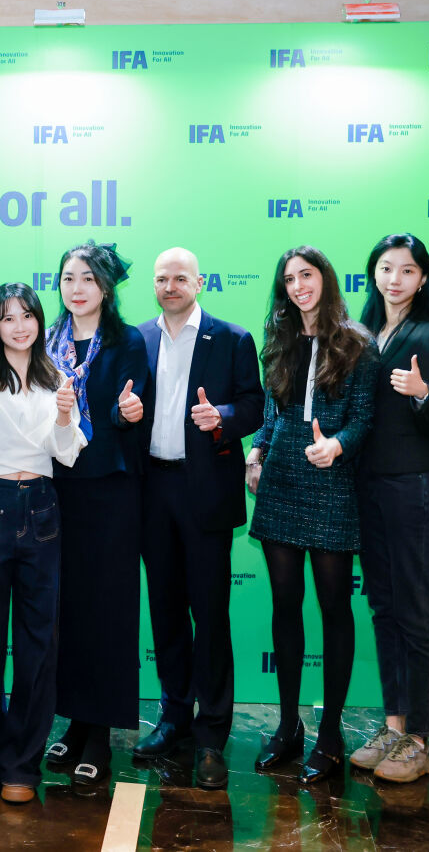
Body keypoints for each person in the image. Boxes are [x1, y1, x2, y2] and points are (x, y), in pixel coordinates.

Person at [244, 245, 378, 783]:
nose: (299, 285)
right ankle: (288, 726)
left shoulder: (357, 342)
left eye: (307, 275)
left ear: (325, 278)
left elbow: (364, 418)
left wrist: (337, 445)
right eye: (290, 279)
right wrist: (256, 452)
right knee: (285, 606)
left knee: (334, 608)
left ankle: (331, 733)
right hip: (281, 479)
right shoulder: (278, 340)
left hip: (331, 481)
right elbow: (271, 412)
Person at [132, 247, 264, 791]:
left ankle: (212, 733)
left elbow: (255, 405)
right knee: (165, 612)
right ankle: (174, 718)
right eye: (161, 278)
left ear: (200, 282)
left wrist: (222, 417)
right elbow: (122, 407)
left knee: (209, 614)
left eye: (180, 278)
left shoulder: (232, 338)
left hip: (205, 489)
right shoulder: (137, 339)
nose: (170, 286)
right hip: (152, 489)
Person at [0, 283, 84, 804]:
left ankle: (23, 763)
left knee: (38, 644)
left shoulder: (57, 379)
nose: (20, 326)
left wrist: (65, 414)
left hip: (43, 509)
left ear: (39, 321)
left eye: (27, 316)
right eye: (8, 318)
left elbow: (65, 453)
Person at [41, 242, 148, 788]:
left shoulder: (128, 340)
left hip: (109, 489)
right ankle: (76, 718)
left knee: (107, 609)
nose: (77, 288)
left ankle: (101, 731)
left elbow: (128, 404)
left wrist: (127, 411)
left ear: (105, 287)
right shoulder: (44, 341)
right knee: (67, 609)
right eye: (68, 278)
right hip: (55, 487)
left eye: (87, 278)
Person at [349, 234, 429, 783]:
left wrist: (419, 392)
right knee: (384, 608)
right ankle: (393, 726)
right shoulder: (364, 334)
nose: (395, 279)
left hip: (412, 486)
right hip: (368, 486)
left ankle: (419, 737)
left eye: (407, 270)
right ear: (374, 273)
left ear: (423, 278)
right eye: (386, 268)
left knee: (414, 610)